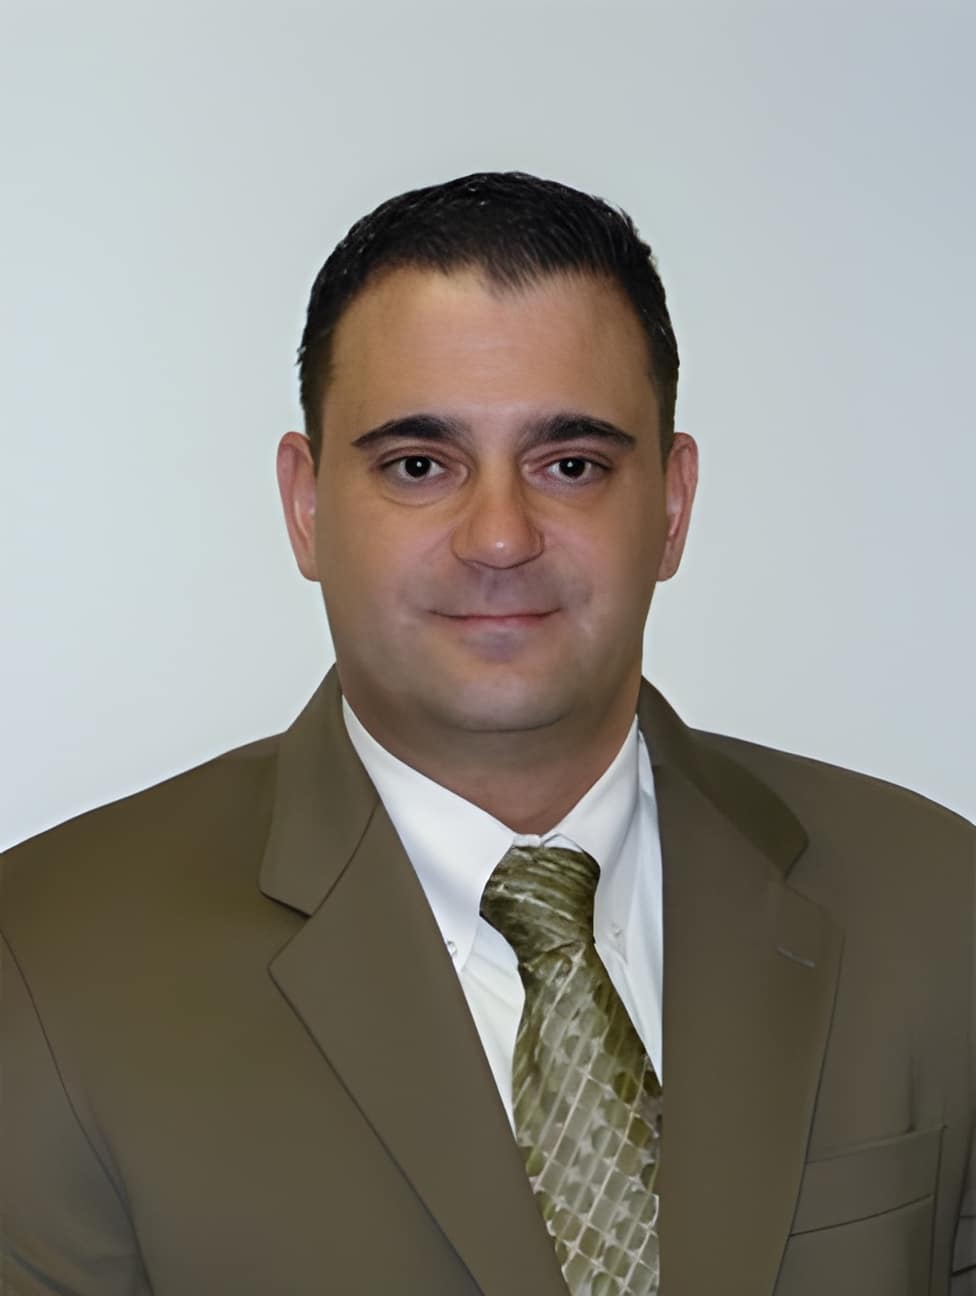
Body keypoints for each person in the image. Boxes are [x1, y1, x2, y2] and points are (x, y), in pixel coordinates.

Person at [1, 170, 973, 1296]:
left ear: (670, 504)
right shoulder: (44, 971)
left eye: (572, 465)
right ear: (307, 507)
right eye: (420, 466)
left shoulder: (936, 911)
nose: (501, 536)